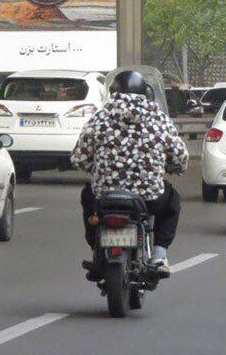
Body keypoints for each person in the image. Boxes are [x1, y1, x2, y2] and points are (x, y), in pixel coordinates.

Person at [71, 70, 188, 276]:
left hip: (105, 197)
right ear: (145, 92)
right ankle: (159, 255)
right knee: (172, 201)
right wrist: (173, 167)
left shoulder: (100, 117)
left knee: (87, 197)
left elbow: (79, 158)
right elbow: (179, 156)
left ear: (113, 92)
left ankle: (97, 251)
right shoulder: (158, 118)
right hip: (148, 198)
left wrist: (95, 166)